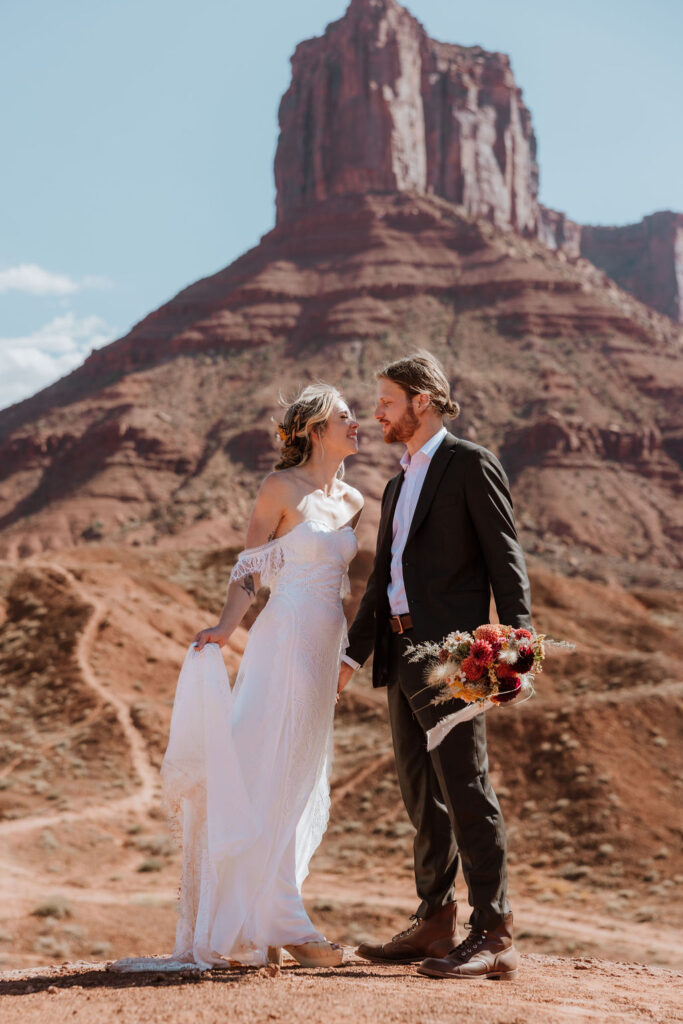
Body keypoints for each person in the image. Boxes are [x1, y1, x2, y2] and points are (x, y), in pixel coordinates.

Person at [115, 384, 362, 972]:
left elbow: (344, 586)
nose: (358, 424)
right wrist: (227, 628)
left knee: (300, 778)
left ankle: (269, 916)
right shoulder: (280, 488)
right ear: (313, 429)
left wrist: (348, 654)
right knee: (265, 769)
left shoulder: (352, 499)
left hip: (326, 648)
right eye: (345, 417)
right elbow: (249, 568)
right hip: (282, 642)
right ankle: (277, 920)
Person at [338, 351, 531, 981]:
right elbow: (381, 583)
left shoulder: (469, 463)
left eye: (388, 401)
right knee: (421, 791)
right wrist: (352, 654)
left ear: (422, 400)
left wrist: (518, 644)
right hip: (400, 654)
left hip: (454, 657)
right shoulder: (396, 484)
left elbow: (506, 557)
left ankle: (493, 929)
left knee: (464, 785)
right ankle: (434, 920)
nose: (378, 413)